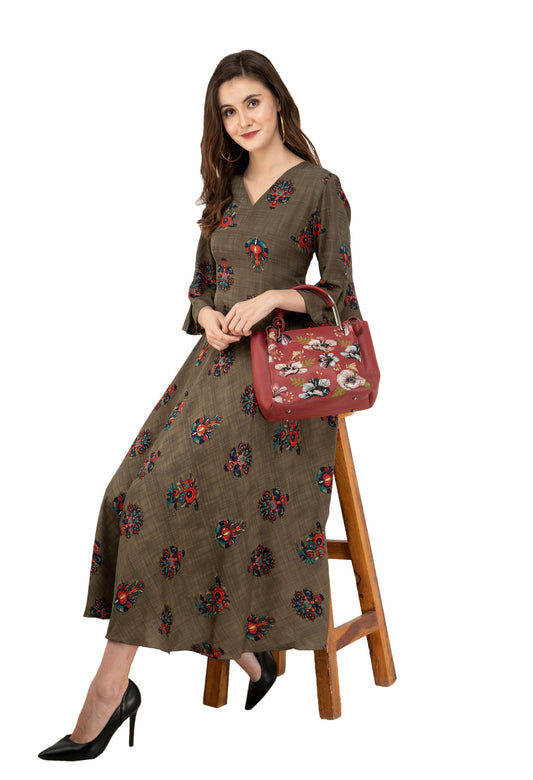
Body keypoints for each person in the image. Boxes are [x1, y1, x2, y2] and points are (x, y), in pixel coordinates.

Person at [39, 49, 363, 761]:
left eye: (252, 102)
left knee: (159, 502)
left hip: (282, 391)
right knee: (127, 495)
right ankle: (248, 656)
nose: (242, 119)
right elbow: (198, 289)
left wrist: (275, 297)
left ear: (278, 102)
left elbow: (342, 299)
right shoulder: (223, 192)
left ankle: (106, 693)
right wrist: (209, 315)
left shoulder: (320, 187)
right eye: (228, 110)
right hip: (212, 372)